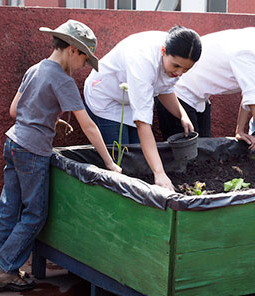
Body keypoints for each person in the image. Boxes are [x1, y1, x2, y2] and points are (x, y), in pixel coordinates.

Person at [0, 20, 122, 292]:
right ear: (73, 50)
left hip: (13, 143)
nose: (84, 66)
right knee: (35, 214)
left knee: (9, 208)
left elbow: (16, 110)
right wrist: (109, 162)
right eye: (84, 58)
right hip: (33, 151)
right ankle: (6, 270)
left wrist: (51, 120)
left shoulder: (34, 69)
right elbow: (89, 125)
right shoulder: (63, 80)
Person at [156, 10, 255, 182]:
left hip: (199, 98)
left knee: (203, 159)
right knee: (185, 165)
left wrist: (239, 130)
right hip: (179, 94)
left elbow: (251, 94)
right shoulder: (249, 53)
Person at [84, 26, 201, 191]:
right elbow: (143, 124)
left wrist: (181, 115)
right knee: (120, 159)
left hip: (132, 99)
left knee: (138, 157)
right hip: (106, 98)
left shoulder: (176, 52)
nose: (180, 73)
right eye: (176, 66)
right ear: (163, 51)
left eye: (186, 69)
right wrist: (159, 173)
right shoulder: (143, 60)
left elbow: (165, 89)